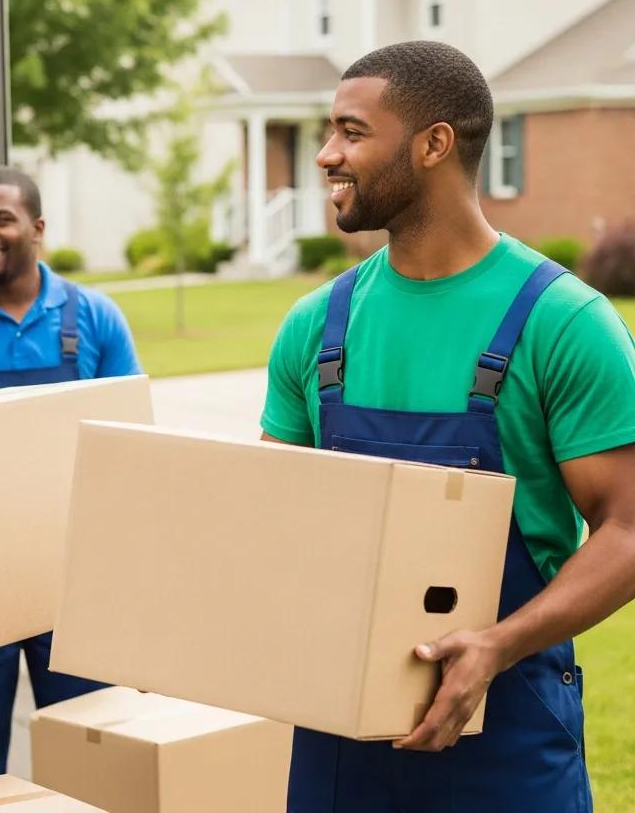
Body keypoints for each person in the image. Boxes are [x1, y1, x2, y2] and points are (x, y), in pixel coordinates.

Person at [262, 41, 635, 813]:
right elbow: (276, 518)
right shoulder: (315, 326)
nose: (327, 154)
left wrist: (496, 646)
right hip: (338, 750)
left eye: (352, 132)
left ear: (434, 144)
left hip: (508, 739)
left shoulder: (563, 322)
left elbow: (628, 531)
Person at [0, 166, 142, 778]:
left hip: (72, 577)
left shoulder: (94, 317)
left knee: (91, 750)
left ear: (37, 228)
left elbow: (131, 451)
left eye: (0, 219)